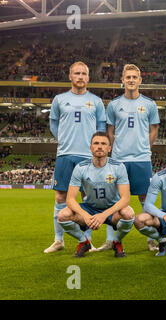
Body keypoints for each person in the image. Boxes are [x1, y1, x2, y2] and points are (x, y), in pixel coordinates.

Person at [44, 61, 106, 253]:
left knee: (87, 199)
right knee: (60, 196)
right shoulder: (59, 99)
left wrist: (96, 149)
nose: (80, 77)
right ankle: (58, 240)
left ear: (88, 77)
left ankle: (87, 241)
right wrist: (63, 140)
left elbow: (101, 128)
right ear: (70, 76)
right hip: (65, 154)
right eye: (77, 73)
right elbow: (54, 124)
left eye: (84, 74)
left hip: (88, 157)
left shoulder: (96, 101)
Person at [103, 64, 160, 252]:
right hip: (119, 160)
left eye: (134, 77)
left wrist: (145, 148)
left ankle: (150, 238)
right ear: (123, 80)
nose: (131, 80)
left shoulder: (149, 104)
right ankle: (110, 240)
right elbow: (110, 131)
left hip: (142, 159)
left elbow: (154, 130)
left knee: (146, 200)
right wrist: (116, 150)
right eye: (128, 77)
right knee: (114, 200)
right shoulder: (113, 105)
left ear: (140, 80)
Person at [56, 132, 135, 258]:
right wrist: (86, 216)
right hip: (90, 208)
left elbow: (125, 199)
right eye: (96, 143)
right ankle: (84, 242)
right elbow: (70, 199)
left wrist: (103, 215)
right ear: (91, 147)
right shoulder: (80, 168)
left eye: (103, 144)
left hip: (112, 210)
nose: (99, 146)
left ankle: (117, 242)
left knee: (128, 213)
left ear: (109, 148)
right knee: (62, 215)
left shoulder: (118, 167)